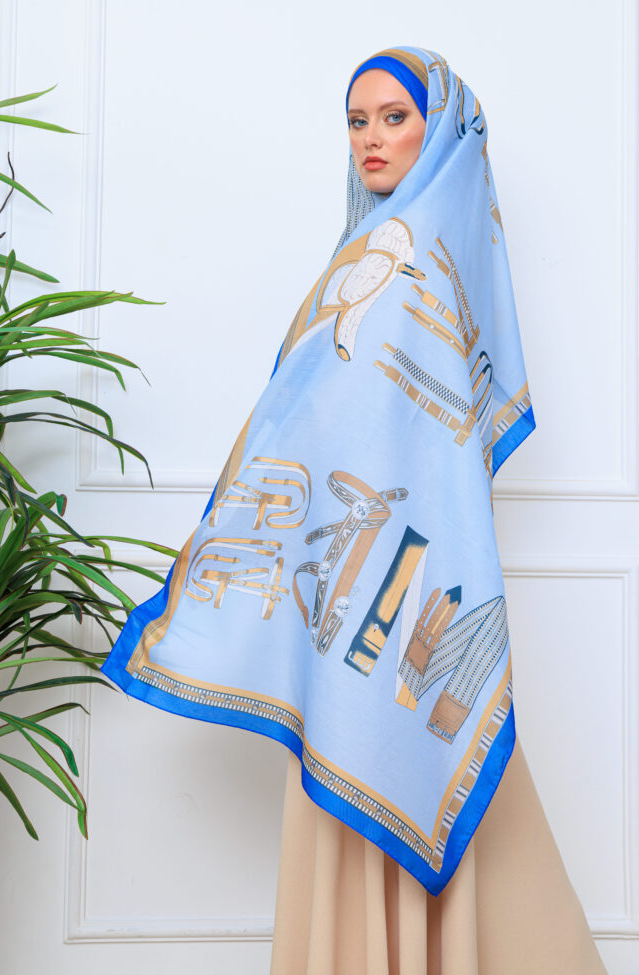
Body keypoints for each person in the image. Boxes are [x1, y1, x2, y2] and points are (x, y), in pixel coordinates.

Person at [99, 44, 609, 974]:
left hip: (393, 578)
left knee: (417, 745)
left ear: (439, 130)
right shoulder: (402, 256)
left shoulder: (408, 266)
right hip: (352, 580)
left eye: (395, 118)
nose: (371, 138)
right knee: (402, 745)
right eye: (357, 120)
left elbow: (376, 432)